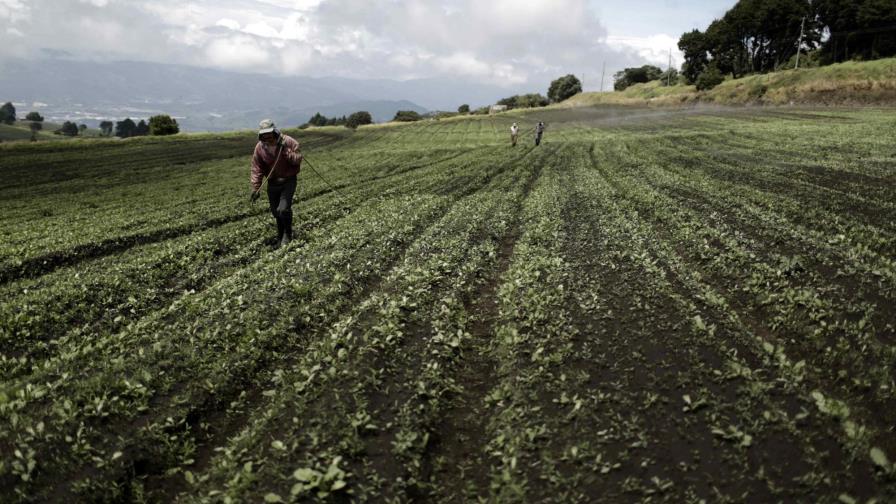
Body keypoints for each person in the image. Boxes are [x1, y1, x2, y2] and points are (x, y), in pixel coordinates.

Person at [250, 119, 303, 247]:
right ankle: (280, 236)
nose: (267, 137)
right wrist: (256, 188)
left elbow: (297, 159)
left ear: (274, 131)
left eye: (269, 133)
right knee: (276, 212)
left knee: (283, 209)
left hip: (288, 181)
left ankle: (288, 234)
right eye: (264, 134)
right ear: (261, 135)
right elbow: (257, 168)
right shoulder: (260, 148)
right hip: (273, 183)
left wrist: (285, 150)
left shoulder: (288, 141)